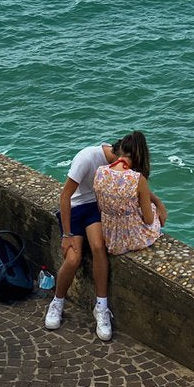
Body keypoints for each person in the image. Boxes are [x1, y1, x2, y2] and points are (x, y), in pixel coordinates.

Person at [43, 132, 167, 341]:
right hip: (74, 208)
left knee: (99, 247)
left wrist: (157, 201)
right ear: (117, 153)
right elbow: (65, 196)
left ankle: (101, 307)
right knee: (73, 258)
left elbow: (138, 187)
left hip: (94, 208)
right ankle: (57, 302)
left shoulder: (117, 163)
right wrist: (67, 234)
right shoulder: (87, 158)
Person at [93, 131, 162, 255]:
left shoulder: (100, 171)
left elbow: (100, 206)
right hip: (132, 238)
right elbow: (148, 220)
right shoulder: (137, 178)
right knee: (152, 209)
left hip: (109, 235)